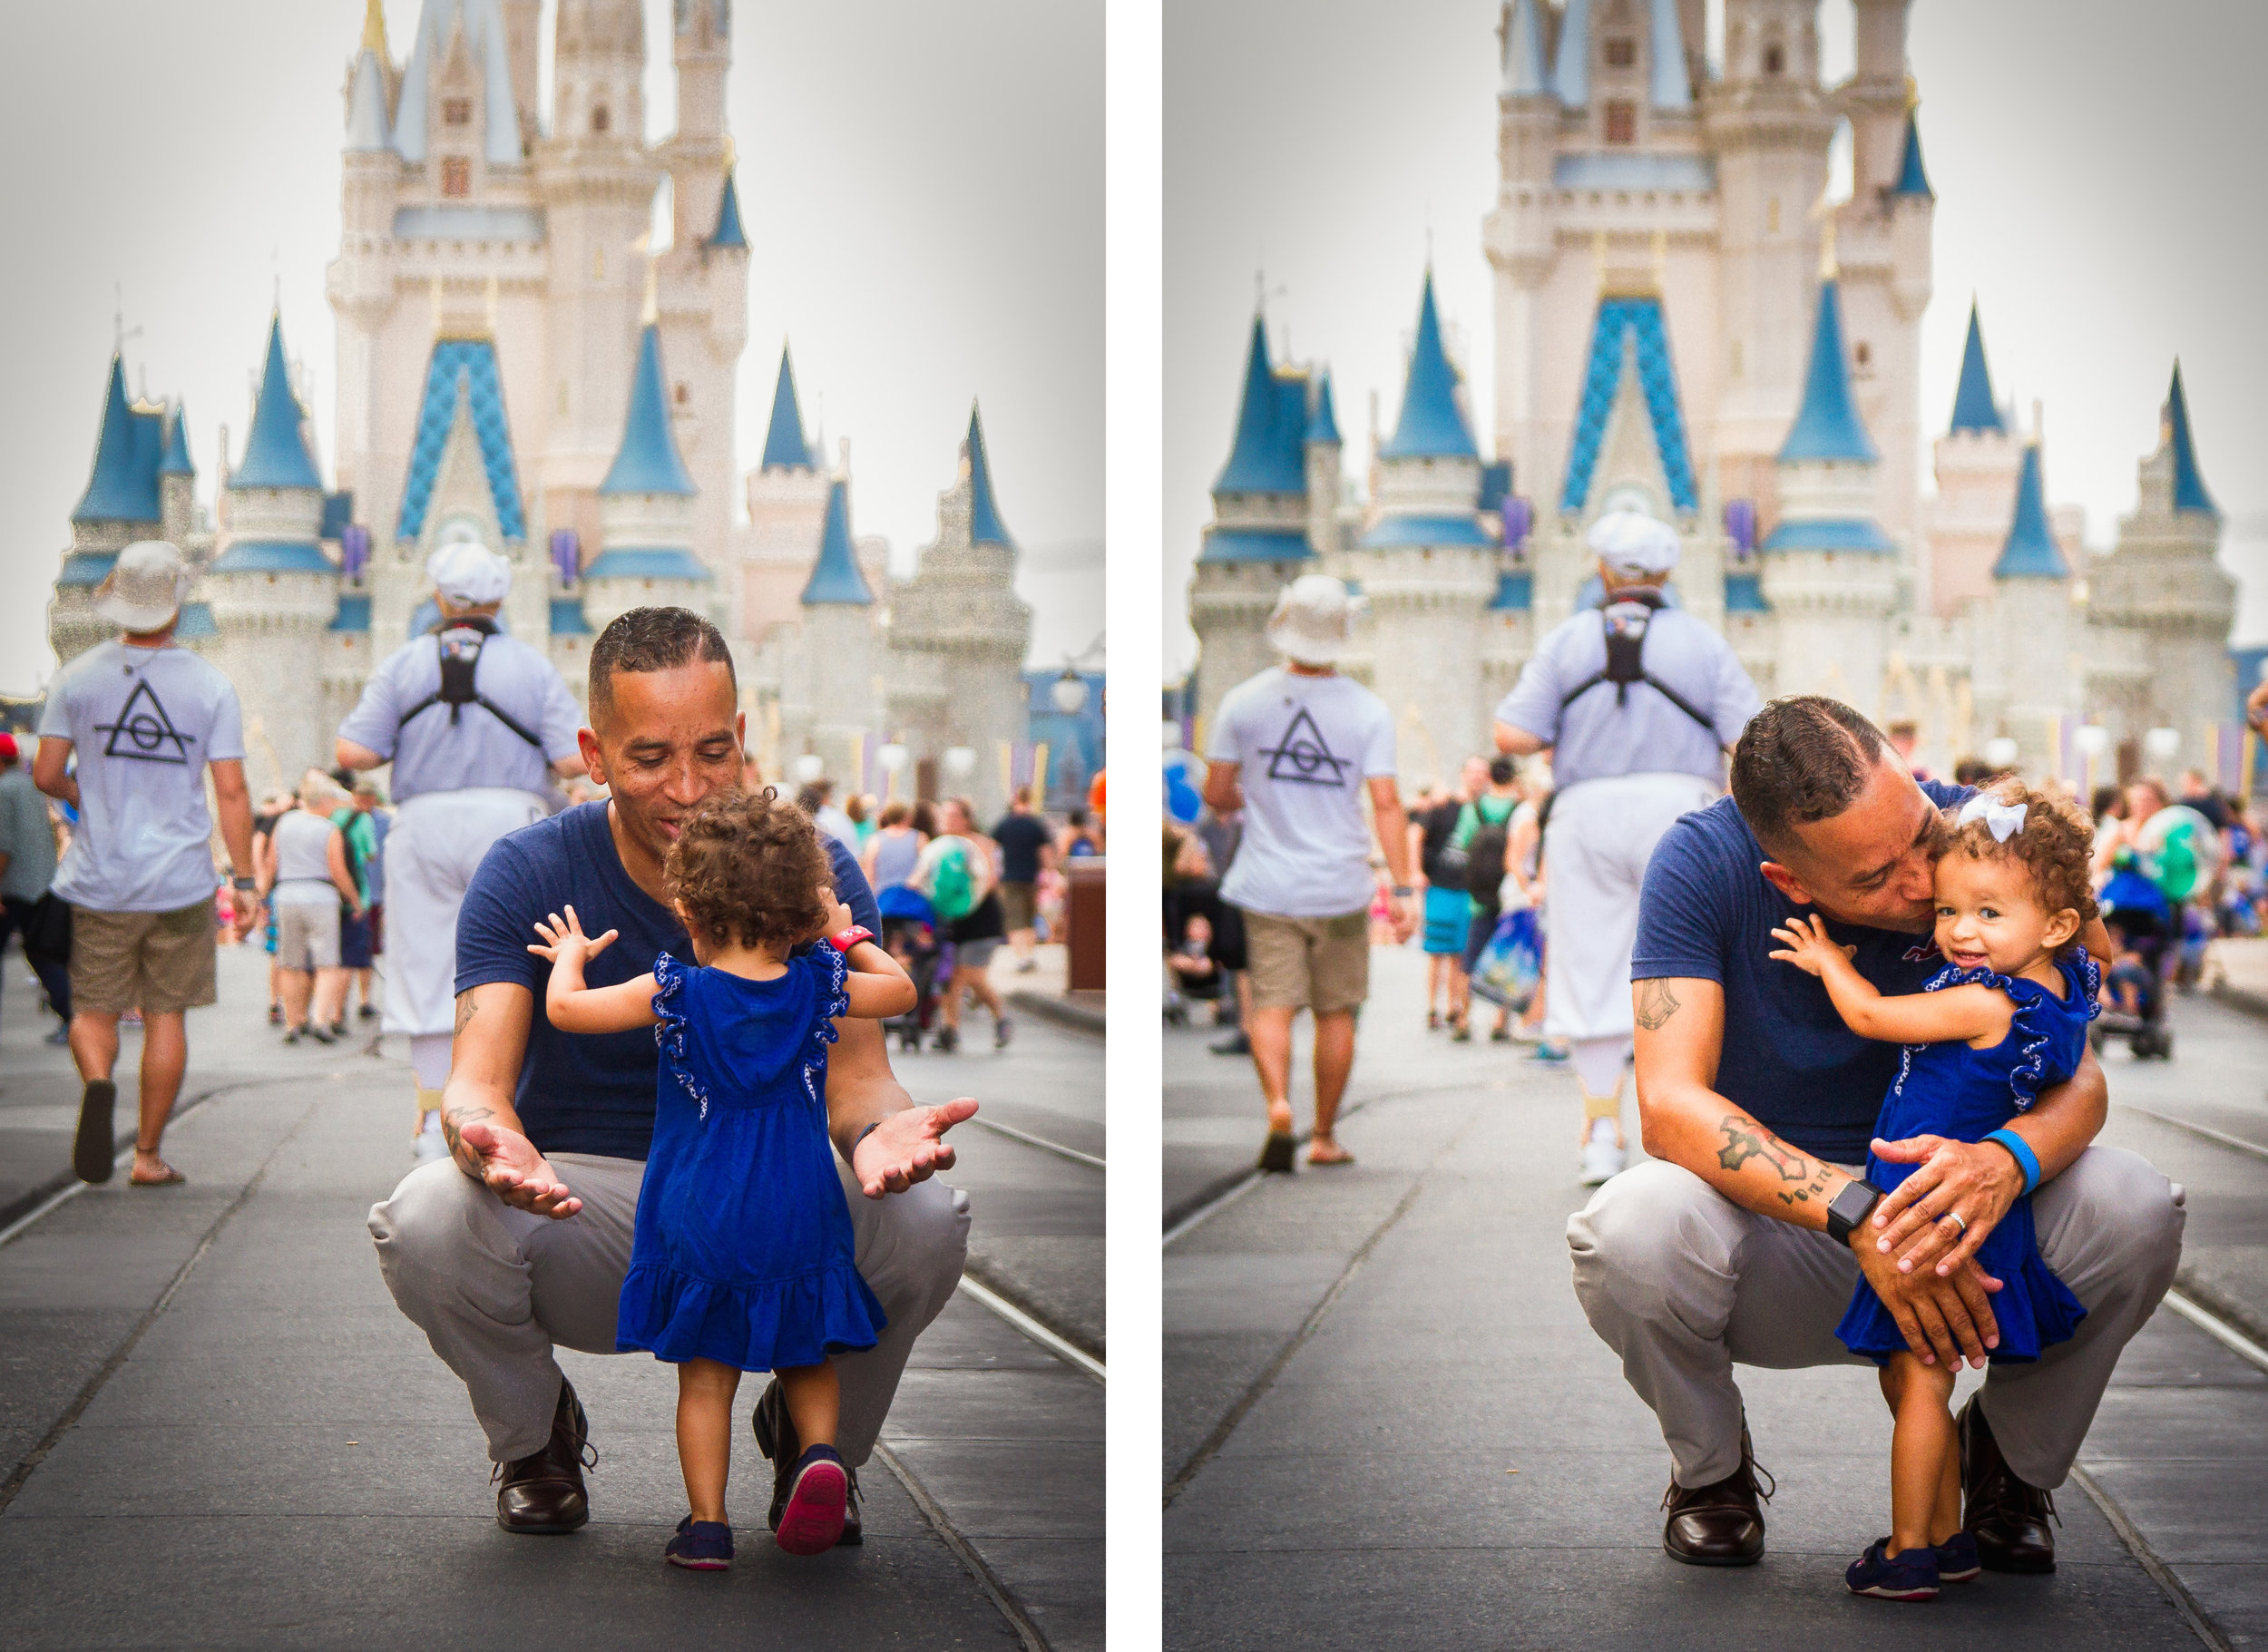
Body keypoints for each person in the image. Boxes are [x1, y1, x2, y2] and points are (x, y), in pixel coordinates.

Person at [367, 605, 974, 1543]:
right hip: (590, 1210)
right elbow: (476, 1078)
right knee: (426, 1218)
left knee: (926, 1219)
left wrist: (880, 1130)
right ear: (593, 754)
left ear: (745, 740)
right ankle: (537, 1440)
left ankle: (816, 1450)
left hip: (772, 1204)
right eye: (650, 758)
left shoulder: (815, 869)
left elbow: (861, 1080)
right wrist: (490, 1138)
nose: (688, 789)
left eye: (715, 752)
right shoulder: (526, 871)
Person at [1569, 695, 2182, 1574]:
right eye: (1874, 878)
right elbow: (1668, 1108)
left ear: (1909, 778)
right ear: (1790, 885)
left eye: (1921, 836)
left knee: (2138, 1207)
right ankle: (1711, 1472)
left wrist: (2007, 1162)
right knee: (1623, 1229)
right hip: (1794, 1231)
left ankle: (2007, 1463)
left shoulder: (1994, 845)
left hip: (1969, 1222)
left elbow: (2078, 1070)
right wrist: (1860, 1216)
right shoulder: (1699, 864)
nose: (1924, 883)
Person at [526, 788, 917, 1567]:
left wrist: (570, 957)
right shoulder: (818, 987)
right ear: (800, 913)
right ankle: (816, 1457)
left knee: (706, 1377)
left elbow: (567, 1011)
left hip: (700, 1207)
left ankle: (707, 1526)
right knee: (807, 1352)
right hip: (800, 1203)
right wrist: (846, 936)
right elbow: (903, 992)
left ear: (689, 910)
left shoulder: (676, 991)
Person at [1767, 779, 2098, 1600]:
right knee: (1911, 1372)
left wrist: (1830, 964)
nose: (1959, 933)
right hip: (1979, 1202)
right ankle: (1949, 1534)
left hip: (1924, 1201)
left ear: (2055, 926)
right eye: (1950, 911)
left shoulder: (1984, 1001)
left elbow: (1877, 1019)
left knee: (1920, 1378)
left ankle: (1910, 1549)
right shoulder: (2065, 989)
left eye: (1990, 913)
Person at [1493, 510, 1761, 1183]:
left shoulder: (1567, 639)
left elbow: (1511, 736)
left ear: (1604, 570)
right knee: (1701, 958)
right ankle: (1700, 1129)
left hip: (1586, 810)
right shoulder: (1703, 642)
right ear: (1668, 573)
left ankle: (1602, 1131)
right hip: (1682, 809)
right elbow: (1750, 736)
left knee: (1591, 965)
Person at [336, 541, 583, 1159]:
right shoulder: (531, 666)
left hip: (421, 822)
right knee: (516, 962)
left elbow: (353, 753)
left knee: (424, 968)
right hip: (511, 823)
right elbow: (573, 759)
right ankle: (505, 1109)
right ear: (500, 599)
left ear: (439, 597)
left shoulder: (403, 663)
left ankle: (429, 1123)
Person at [33, 540, 261, 1186]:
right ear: (177, 603)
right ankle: (147, 1153)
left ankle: (99, 1079)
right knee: (167, 1015)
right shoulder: (210, 684)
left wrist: (83, 791)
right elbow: (233, 791)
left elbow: (46, 772)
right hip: (181, 881)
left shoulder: (75, 678)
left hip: (99, 876)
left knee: (92, 1009)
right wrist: (243, 880)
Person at [1202, 574, 1413, 1172]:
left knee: (1270, 1006)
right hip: (1341, 885)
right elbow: (1388, 804)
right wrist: (1401, 886)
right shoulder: (1369, 710)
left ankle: (1276, 1105)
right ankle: (1322, 1134)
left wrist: (1261, 791)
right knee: (1335, 1012)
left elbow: (1217, 794)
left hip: (1267, 884)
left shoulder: (1243, 702)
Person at [265, 775, 362, 1045]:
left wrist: (262, 892)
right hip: (320, 895)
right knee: (326, 962)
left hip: (287, 893)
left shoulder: (284, 822)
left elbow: (271, 862)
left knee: (291, 962)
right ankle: (321, 1019)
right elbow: (338, 870)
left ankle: (293, 1022)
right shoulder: (328, 829)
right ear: (324, 801)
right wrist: (353, 899)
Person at [0, 732, 72, 1045]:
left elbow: (3, 848)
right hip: (44, 883)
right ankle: (72, 1016)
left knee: (38, 952)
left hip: (15, 888)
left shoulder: (3, 790)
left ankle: (72, 1016)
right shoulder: (32, 786)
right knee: (42, 953)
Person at [1449, 756, 1523, 1043]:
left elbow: (1464, 844)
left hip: (1478, 897)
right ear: (1513, 778)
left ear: (1490, 777)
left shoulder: (1473, 809)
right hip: (1508, 895)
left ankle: (1463, 1017)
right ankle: (1500, 1020)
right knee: (1506, 958)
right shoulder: (1520, 810)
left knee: (1468, 960)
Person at [932, 797, 1012, 1051]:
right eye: (945, 815)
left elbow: (990, 880)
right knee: (949, 976)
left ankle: (1000, 1016)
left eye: (954, 815)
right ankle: (950, 1029)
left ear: (967, 819)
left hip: (981, 919)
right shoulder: (940, 847)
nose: (948, 820)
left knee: (969, 975)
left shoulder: (982, 845)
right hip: (951, 920)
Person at [1413, 758, 1483, 1032]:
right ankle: (1432, 1007)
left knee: (1461, 954)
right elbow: (1415, 834)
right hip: (1441, 886)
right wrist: (1416, 871)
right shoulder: (1442, 806)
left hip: (1470, 890)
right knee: (1437, 952)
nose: (1477, 778)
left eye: (1482, 773)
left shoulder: (1485, 809)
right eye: (1473, 772)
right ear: (1463, 774)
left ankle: (1456, 1007)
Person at [329, 766, 382, 1023]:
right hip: (357, 896)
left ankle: (324, 1012)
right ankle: (342, 1011)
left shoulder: (335, 816)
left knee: (331, 957)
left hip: (329, 895)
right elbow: (371, 854)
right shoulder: (365, 821)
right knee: (354, 957)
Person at [991, 787, 1055, 973]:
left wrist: (994, 872)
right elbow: (1043, 853)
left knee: (1014, 918)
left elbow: (992, 849)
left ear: (1014, 800)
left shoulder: (1005, 824)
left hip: (1009, 878)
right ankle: (1029, 954)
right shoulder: (1035, 824)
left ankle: (1021, 957)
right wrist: (1048, 874)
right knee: (1029, 917)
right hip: (1031, 878)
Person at [862, 800, 925, 893]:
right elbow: (925, 869)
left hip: (883, 898)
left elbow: (869, 875)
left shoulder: (875, 840)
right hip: (911, 897)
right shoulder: (919, 838)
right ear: (908, 816)